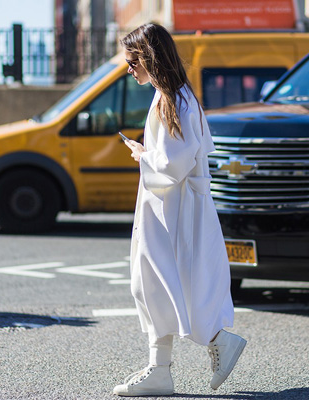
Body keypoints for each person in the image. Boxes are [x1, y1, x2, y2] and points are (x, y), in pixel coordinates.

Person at [113, 23, 247, 397]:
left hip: (173, 211)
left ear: (149, 58)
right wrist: (150, 156)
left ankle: (179, 361)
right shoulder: (175, 97)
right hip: (173, 208)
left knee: (161, 281)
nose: (129, 68)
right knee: (164, 282)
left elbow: (174, 164)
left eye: (133, 60)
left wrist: (143, 154)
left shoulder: (174, 100)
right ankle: (168, 365)